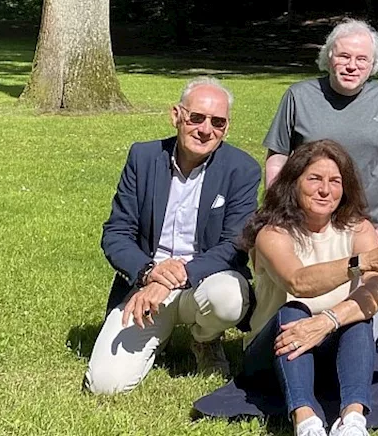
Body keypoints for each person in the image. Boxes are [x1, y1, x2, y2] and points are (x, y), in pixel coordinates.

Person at [85, 77, 260, 395]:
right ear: (176, 115)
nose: (206, 129)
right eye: (196, 117)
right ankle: (157, 335)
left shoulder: (242, 169)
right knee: (104, 386)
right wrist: (149, 272)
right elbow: (117, 232)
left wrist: (174, 275)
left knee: (230, 297)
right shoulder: (143, 158)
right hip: (145, 285)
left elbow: (235, 245)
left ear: (226, 128)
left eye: (218, 122)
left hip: (203, 282)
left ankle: (204, 340)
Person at [237, 140, 378, 436]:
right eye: (314, 179)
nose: (325, 190)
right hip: (272, 352)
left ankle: (353, 419)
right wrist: (362, 261)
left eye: (335, 181)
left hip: (330, 345)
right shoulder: (273, 233)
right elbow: (298, 282)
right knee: (294, 310)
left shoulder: (359, 228)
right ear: (293, 183)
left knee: (356, 320)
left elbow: (377, 291)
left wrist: (328, 321)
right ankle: (305, 420)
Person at [262, 18, 378, 248]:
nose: (351, 65)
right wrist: (278, 210)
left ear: (373, 63)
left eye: (361, 59)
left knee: (368, 284)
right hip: (306, 222)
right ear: (329, 57)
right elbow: (277, 157)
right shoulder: (299, 96)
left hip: (366, 224)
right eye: (344, 56)